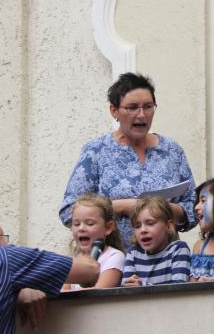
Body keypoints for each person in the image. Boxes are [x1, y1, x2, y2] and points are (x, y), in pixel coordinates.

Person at [59, 72, 198, 249]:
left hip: (166, 265)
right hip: (113, 266)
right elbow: (69, 212)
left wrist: (163, 209)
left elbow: (194, 209)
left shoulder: (172, 150)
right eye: (132, 107)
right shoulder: (96, 151)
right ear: (114, 111)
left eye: (148, 106)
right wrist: (122, 206)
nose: (141, 115)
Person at [0, 211, 99, 334]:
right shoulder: (3, 257)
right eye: (2, 237)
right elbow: (90, 270)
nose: (6, 244)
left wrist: (21, 285)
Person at [121, 196, 191, 286]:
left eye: (150, 223)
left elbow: (179, 287)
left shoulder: (178, 249)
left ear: (168, 226)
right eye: (137, 226)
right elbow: (126, 287)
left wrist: (143, 286)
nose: (143, 230)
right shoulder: (133, 253)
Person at [63, 193, 125, 290]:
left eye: (90, 223)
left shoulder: (114, 256)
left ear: (108, 228)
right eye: (76, 224)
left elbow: (98, 293)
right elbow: (63, 292)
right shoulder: (73, 260)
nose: (81, 228)